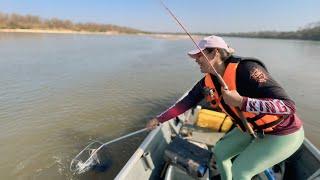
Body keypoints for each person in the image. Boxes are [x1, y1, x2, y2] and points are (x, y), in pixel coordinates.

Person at [146, 35, 304, 180]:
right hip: (251, 128)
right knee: (220, 152)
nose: (196, 60)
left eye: (199, 55)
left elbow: (288, 106)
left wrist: (242, 101)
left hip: (284, 132)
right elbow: (185, 103)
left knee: (241, 171)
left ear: (214, 53)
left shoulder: (249, 70)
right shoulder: (207, 82)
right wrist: (159, 119)